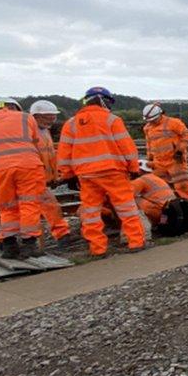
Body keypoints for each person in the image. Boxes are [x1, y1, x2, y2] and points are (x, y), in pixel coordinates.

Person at [57, 86, 145, 256]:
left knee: (90, 212)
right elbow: (126, 146)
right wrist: (133, 168)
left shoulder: (71, 123)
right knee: (126, 208)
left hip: (86, 175)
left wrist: (67, 174)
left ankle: (97, 249)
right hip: (113, 171)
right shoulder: (112, 120)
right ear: (102, 100)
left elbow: (64, 152)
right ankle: (136, 242)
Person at [0, 97, 48, 259]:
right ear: (15, 107)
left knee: (7, 207)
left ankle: (9, 245)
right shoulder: (26, 117)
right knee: (30, 203)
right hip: (28, 166)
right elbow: (35, 141)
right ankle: (29, 245)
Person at [29, 100, 74, 248]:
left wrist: (54, 177)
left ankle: (4, 240)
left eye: (52, 117)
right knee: (46, 207)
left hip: (43, 178)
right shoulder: (29, 132)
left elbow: (50, 157)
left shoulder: (44, 132)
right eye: (47, 117)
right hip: (34, 178)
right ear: (36, 116)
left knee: (46, 207)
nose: (51, 120)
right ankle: (62, 235)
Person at [142, 103, 188, 203]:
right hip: (158, 162)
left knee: (182, 184)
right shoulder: (147, 128)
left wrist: (180, 150)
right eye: (150, 121)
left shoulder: (174, 123)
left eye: (154, 120)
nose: (152, 122)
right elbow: (149, 144)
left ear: (160, 114)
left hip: (175, 160)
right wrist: (149, 158)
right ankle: (165, 205)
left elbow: (186, 135)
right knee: (159, 185)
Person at [129, 161, 188, 237]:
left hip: (159, 212)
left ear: (140, 170)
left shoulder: (141, 180)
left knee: (131, 200)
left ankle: (141, 227)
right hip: (169, 211)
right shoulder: (156, 178)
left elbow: (128, 193)